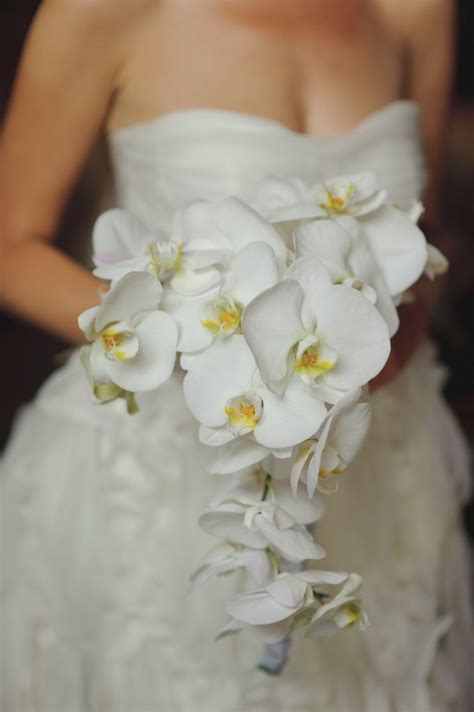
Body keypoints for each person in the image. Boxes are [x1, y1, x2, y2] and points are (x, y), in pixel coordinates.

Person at [0, 1, 471, 710]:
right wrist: (179, 338)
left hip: (371, 461)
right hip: (164, 475)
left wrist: (393, 338)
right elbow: (10, 244)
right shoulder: (100, 12)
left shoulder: (416, 11)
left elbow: (422, 231)